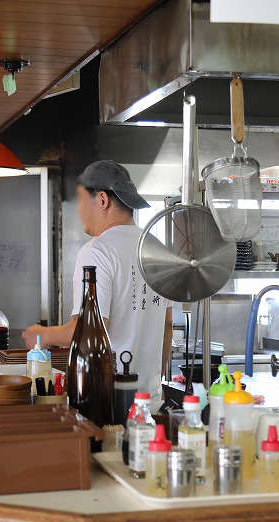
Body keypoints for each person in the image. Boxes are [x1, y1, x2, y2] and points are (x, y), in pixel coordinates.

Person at [22, 161, 173, 400]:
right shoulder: (159, 250)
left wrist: (43, 335)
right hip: (150, 399)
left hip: (108, 399)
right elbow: (167, 325)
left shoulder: (97, 251)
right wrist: (154, 385)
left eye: (82, 201)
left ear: (102, 200)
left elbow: (88, 332)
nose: (79, 210)